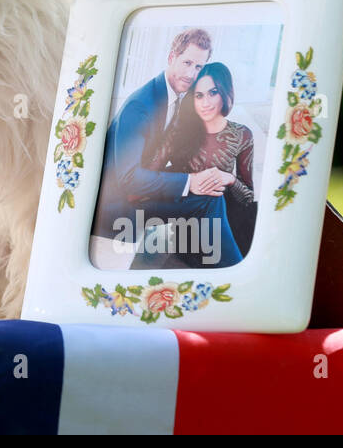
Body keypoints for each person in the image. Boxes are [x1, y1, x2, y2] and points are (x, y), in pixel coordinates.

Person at [94, 28, 243, 268]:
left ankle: (218, 267)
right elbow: (128, 179)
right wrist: (190, 182)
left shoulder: (176, 96)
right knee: (208, 198)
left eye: (198, 67)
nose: (190, 73)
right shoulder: (140, 105)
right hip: (120, 203)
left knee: (213, 190)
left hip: (143, 190)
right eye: (187, 62)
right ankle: (232, 271)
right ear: (171, 57)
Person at [147, 62, 257, 264]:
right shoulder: (178, 130)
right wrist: (190, 181)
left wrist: (230, 179)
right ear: (192, 99)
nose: (205, 103)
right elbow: (149, 178)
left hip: (224, 221)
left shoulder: (242, 134)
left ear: (224, 92)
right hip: (186, 222)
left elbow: (248, 198)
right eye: (199, 95)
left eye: (212, 92)